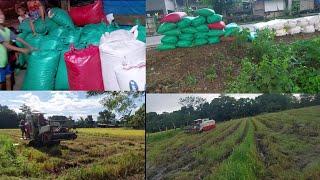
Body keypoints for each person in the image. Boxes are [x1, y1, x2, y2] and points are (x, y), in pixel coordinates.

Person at [0, 9, 34, 90]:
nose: (0, 16)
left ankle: (9, 95)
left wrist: (29, 46)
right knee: (1, 84)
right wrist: (22, 50)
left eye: (1, 14)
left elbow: (18, 38)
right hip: (0, 64)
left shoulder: (7, 30)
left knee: (8, 79)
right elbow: (6, 45)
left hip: (6, 61)